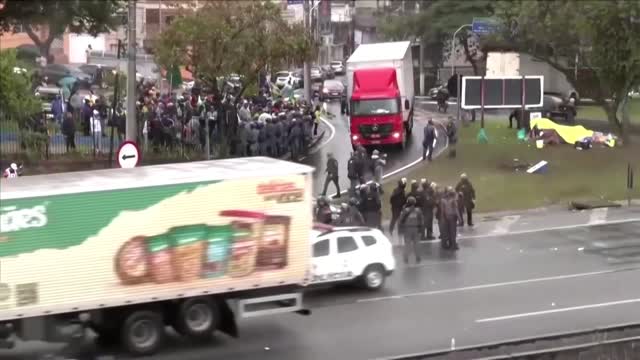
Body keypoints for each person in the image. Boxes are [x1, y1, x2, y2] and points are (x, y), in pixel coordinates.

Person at [398, 196, 424, 264]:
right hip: (416, 228)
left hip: (407, 229)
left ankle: (406, 258)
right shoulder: (418, 210)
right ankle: (418, 257)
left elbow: (400, 220)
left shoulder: (405, 210)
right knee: (417, 244)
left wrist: (400, 229)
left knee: (407, 244)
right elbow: (421, 221)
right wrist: (421, 229)